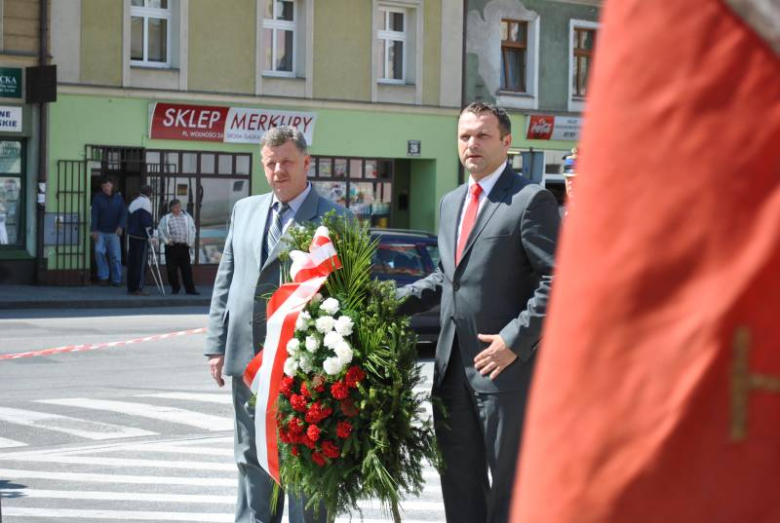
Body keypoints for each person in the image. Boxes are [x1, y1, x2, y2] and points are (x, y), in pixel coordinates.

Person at [397, 102, 561, 523]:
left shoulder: (530, 199)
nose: (472, 144)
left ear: (506, 142)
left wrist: (514, 340)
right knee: (459, 485)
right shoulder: (451, 202)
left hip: (504, 371)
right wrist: (384, 302)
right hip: (451, 371)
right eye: (465, 136)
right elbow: (447, 278)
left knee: (510, 491)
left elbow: (558, 278)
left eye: (483, 135)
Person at [204, 126, 348, 523]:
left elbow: (353, 294)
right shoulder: (245, 210)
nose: (278, 171)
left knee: (305, 460)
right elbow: (226, 279)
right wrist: (216, 345)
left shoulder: (336, 218)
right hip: (248, 360)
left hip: (307, 366)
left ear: (306, 162)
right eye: (270, 163)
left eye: (287, 161)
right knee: (250, 456)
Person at [158, 199, 199, 295]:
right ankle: (175, 287)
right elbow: (160, 230)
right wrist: (166, 241)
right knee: (171, 269)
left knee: (186, 269)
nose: (178, 209)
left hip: (184, 246)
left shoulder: (187, 217)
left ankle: (190, 289)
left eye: (179, 207)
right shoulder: (166, 218)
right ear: (171, 208)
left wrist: (191, 241)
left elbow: (193, 229)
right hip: (171, 247)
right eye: (176, 207)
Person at [90, 177, 126, 286]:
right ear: (101, 187)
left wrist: (120, 227)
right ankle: (103, 276)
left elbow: (123, 214)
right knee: (98, 252)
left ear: (112, 186)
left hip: (114, 232)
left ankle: (116, 279)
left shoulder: (119, 198)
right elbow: (94, 214)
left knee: (116, 257)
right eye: (104, 186)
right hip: (100, 231)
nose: (106, 188)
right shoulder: (97, 198)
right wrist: (94, 230)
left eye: (108, 185)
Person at [126, 185, 154, 296]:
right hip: (141, 237)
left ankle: (131, 287)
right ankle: (138, 288)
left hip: (132, 236)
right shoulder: (146, 202)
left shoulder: (134, 202)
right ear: (150, 193)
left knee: (132, 263)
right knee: (141, 264)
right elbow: (146, 221)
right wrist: (151, 235)